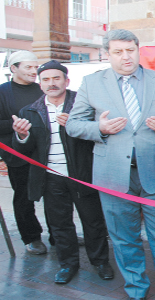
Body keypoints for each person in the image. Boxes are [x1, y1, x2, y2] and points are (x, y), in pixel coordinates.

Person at [66, 29, 155, 300]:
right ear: (107, 54)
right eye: (118, 52)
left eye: (130, 50)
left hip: (154, 173)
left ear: (138, 50)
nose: (125, 57)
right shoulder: (92, 83)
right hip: (112, 176)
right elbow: (73, 124)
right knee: (124, 239)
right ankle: (136, 290)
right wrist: (100, 128)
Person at [11, 60, 113, 284]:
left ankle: (100, 261)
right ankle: (68, 264)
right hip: (50, 177)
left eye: (56, 78)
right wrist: (21, 136)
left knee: (93, 221)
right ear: (40, 84)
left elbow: (101, 135)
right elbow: (24, 149)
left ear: (67, 81)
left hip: (83, 175)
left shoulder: (82, 105)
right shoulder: (29, 111)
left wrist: (77, 127)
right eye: (46, 79)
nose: (52, 83)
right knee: (60, 223)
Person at [0, 50, 48, 255]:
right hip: (17, 155)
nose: (33, 71)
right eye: (28, 67)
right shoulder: (3, 92)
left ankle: (58, 233)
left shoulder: (42, 89)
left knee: (54, 196)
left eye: (35, 67)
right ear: (14, 68)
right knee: (24, 197)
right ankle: (31, 237)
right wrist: (17, 126)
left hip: (46, 153)